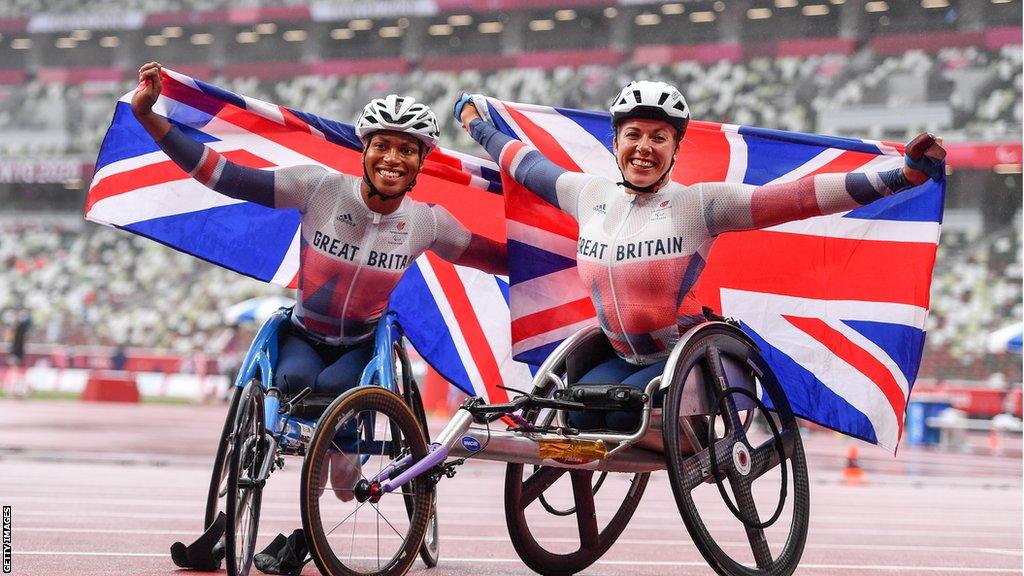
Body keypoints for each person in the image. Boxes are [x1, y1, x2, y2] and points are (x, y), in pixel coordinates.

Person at [133, 62, 506, 572]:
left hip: (362, 348)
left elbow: (496, 257)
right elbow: (225, 177)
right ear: (364, 148)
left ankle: (305, 535)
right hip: (302, 335)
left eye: (407, 149)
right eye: (383, 144)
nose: (392, 158)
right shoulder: (319, 188)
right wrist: (150, 118)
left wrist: (586, 251)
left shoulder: (426, 222)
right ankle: (232, 514)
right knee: (291, 384)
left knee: (344, 481)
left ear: (423, 160)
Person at [455, 80, 945, 432]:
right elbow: (525, 164)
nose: (644, 148)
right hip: (621, 356)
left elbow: (799, 197)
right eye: (634, 135)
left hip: (682, 359)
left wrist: (901, 177)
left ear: (675, 148)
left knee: (621, 412)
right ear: (616, 141)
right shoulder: (588, 195)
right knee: (576, 416)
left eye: (658, 138)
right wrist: (476, 125)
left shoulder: (700, 204)